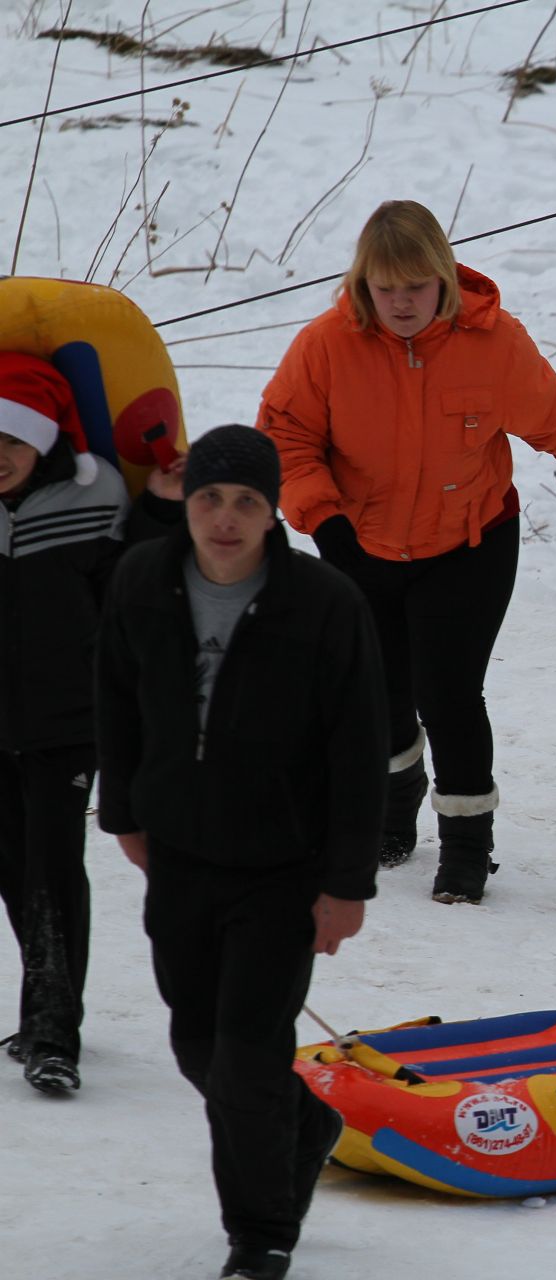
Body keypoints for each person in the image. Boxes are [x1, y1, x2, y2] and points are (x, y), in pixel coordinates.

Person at [259, 200, 556, 905]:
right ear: (364, 284)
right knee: (380, 694)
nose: (400, 303)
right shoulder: (326, 346)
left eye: (415, 288)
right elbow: (286, 438)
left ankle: (466, 846)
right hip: (361, 545)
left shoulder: (492, 341)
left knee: (448, 695)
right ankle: (394, 809)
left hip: (470, 543)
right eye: (384, 288)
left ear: (443, 280)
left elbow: (548, 408)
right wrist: (326, 523)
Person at [95, 425, 385, 1280]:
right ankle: (305, 1126)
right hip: (181, 851)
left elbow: (358, 751)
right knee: (196, 1045)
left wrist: (345, 884)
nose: (225, 519)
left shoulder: (326, 604)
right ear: (188, 503)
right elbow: (117, 697)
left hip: (282, 866)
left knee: (249, 1053)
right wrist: (126, 815)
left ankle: (259, 1236)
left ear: (273, 513)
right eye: (211, 499)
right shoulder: (143, 577)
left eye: (246, 503)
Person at [0, 352, 181, 1095]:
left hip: (66, 719)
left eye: (9, 442)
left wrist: (161, 510)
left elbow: (132, 588)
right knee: (14, 867)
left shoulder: (94, 494)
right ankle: (46, 1002)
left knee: (50, 864)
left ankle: (54, 1032)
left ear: (42, 440)